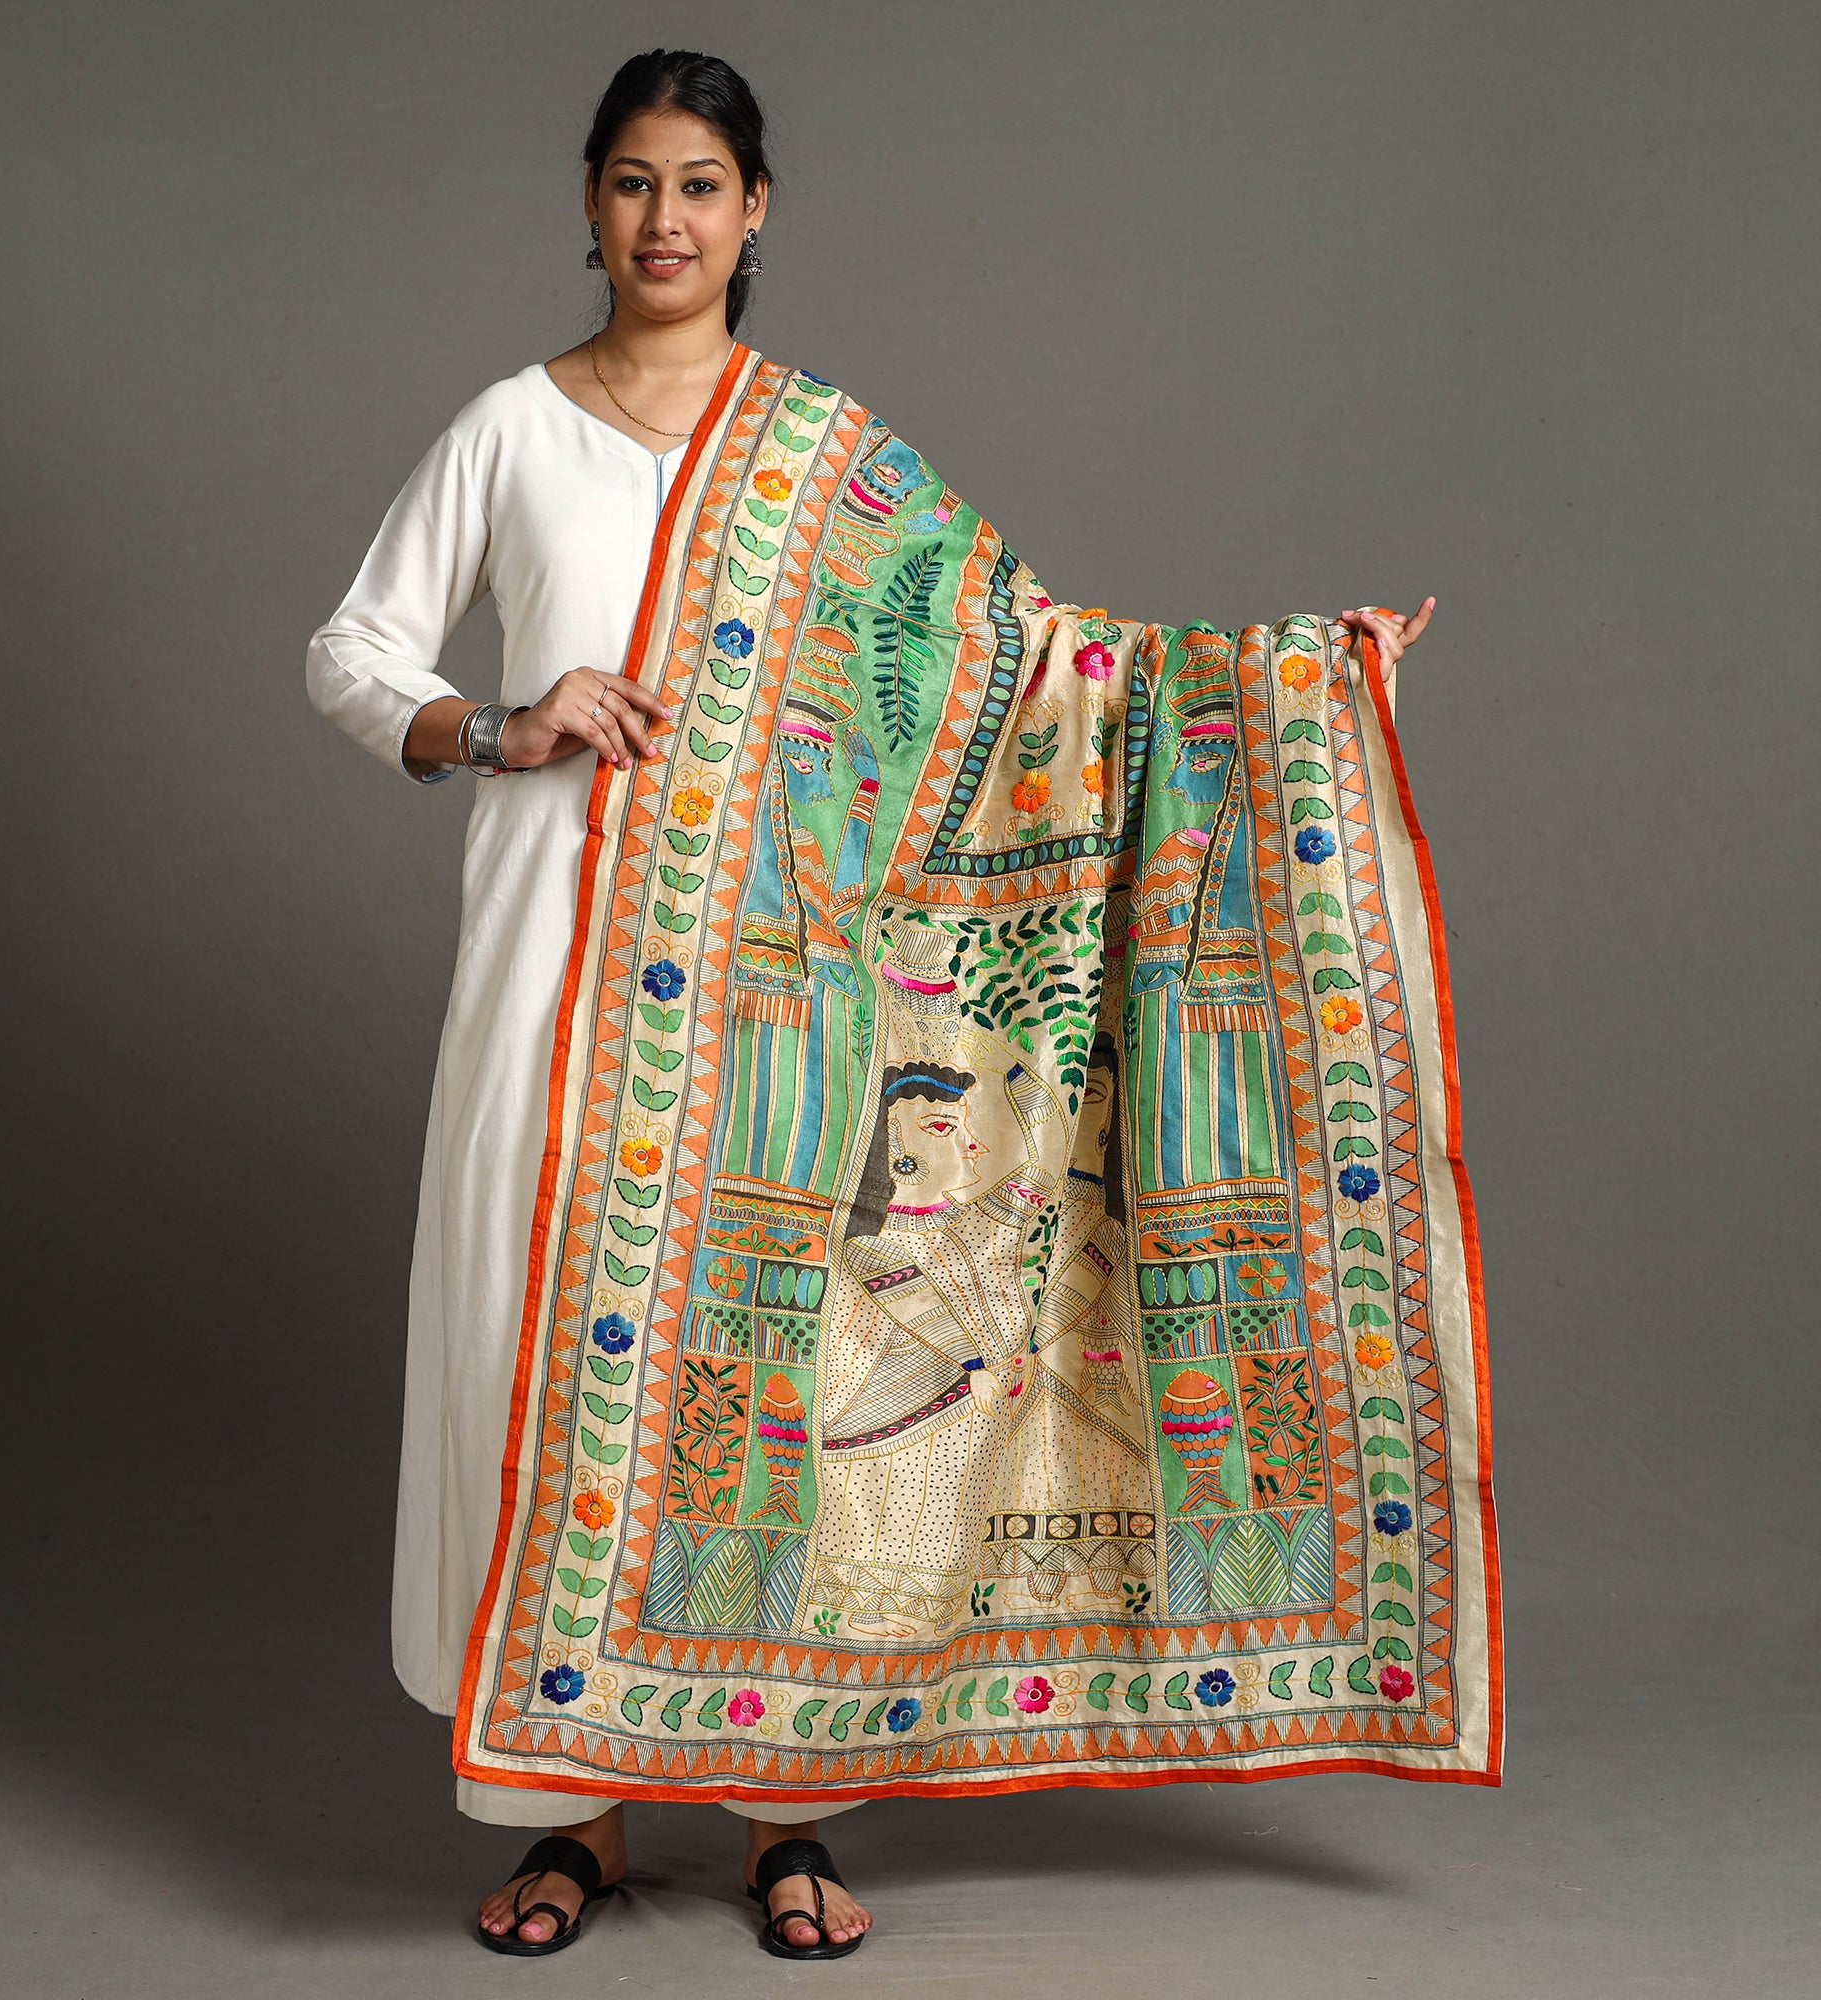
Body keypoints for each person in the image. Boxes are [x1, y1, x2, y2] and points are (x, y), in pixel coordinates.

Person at [307, 45, 1434, 1964]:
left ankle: (786, 1812)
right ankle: (567, 1816)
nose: (665, 219)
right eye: (634, 181)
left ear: (755, 212)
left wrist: (1291, 679)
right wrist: (501, 726)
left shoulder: (833, 458)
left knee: (783, 1370)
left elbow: (1034, 664)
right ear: (588, 201)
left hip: (793, 1008)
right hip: (550, 972)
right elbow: (352, 651)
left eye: (701, 186)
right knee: (527, 1343)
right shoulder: (511, 428)